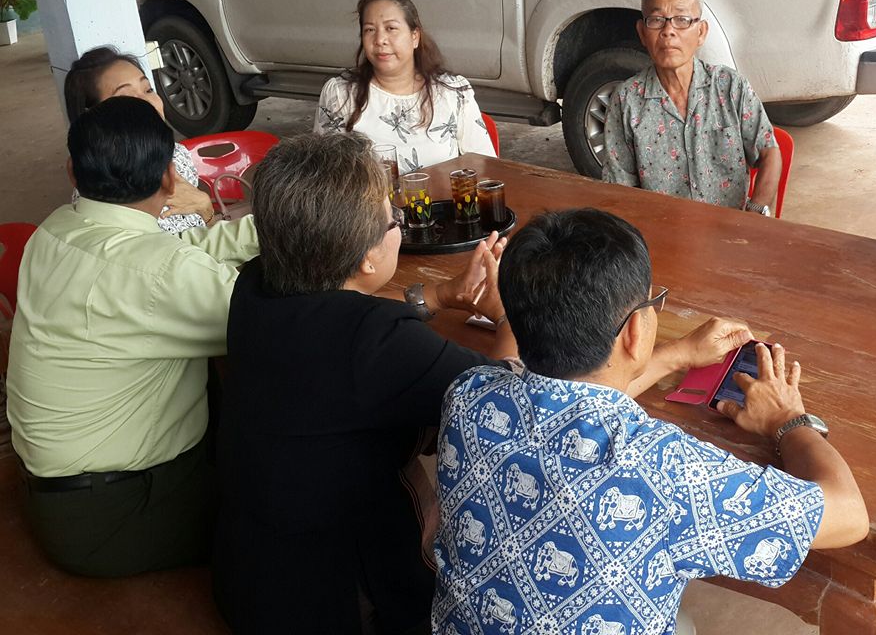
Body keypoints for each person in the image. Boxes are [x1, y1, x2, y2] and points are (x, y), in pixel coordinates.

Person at [432, 208, 869, 634]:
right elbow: (849, 516)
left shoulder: (468, 394)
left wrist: (678, 355)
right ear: (635, 330)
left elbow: (565, 397)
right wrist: (789, 419)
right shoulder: (664, 469)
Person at [212, 132, 511, 635]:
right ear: (368, 260)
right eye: (394, 221)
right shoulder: (374, 340)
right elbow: (506, 403)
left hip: (249, 575)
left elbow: (341, 316)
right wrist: (505, 316)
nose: (399, 226)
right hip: (334, 607)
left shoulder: (256, 282)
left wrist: (440, 295)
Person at [5, 97, 260, 577]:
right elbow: (274, 328)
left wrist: (271, 228)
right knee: (304, 496)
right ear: (170, 179)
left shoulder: (56, 230)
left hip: (64, 496)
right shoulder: (158, 272)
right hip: (118, 514)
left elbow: (177, 251)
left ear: (72, 171)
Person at [603, 0, 782, 215]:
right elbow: (619, 188)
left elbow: (769, 152)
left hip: (729, 228)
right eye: (656, 20)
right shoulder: (626, 101)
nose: (668, 31)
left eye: (682, 20)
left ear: (701, 32)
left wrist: (755, 214)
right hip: (660, 229)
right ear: (642, 33)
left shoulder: (730, 87)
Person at [314, 0, 496, 174]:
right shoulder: (341, 94)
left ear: (414, 36)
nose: (380, 40)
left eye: (391, 28)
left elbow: (486, 167)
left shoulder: (452, 92)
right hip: (369, 195)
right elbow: (325, 176)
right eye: (370, 30)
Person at [64, 46, 215, 233]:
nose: (150, 103)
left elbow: (204, 230)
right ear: (94, 118)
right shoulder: (100, 191)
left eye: (148, 89)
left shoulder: (177, 154)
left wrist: (205, 208)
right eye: (126, 98)